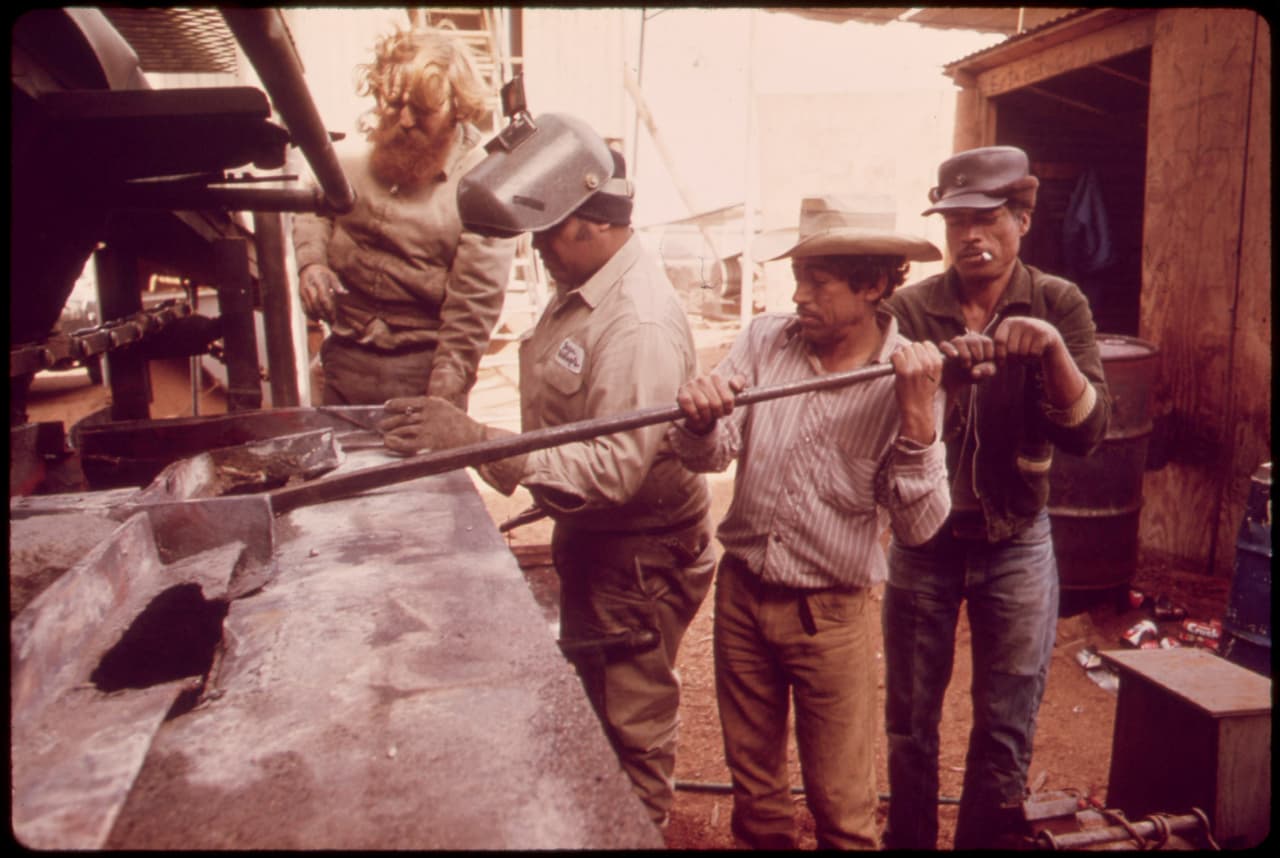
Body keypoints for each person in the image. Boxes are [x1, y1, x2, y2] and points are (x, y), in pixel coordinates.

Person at [377, 113, 715, 829]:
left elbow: (614, 469)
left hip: (638, 555)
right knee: (594, 706)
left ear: (591, 223)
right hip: (602, 546)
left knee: (631, 725)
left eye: (548, 235)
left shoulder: (637, 323)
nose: (539, 251)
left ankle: (636, 831)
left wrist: (473, 439)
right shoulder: (587, 283)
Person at [666, 196, 951, 850]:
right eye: (798, 279)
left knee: (844, 815)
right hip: (741, 597)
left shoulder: (907, 376)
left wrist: (916, 422)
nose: (798, 296)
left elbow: (921, 527)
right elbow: (708, 453)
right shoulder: (767, 340)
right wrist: (702, 418)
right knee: (757, 801)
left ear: (873, 285)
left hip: (830, 618)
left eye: (817, 281)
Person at [881, 145, 1111, 850]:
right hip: (926, 546)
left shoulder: (1057, 302)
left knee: (1007, 724)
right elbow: (876, 432)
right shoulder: (911, 309)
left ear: (1024, 219)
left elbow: (1090, 435)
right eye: (957, 224)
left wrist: (1050, 351)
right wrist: (933, 385)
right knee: (911, 723)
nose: (971, 236)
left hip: (1016, 540)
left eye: (988, 219)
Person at [292, 27, 516, 408]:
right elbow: (315, 207)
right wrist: (311, 263)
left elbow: (472, 309)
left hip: (424, 372)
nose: (406, 121)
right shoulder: (351, 157)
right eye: (394, 105)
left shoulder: (485, 187)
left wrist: (445, 394)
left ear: (456, 107)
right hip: (344, 359)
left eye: (424, 109)